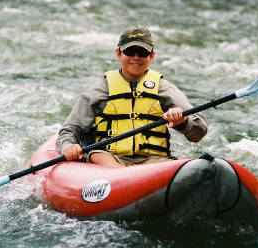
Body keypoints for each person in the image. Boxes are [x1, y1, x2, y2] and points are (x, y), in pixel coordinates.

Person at [56, 26, 208, 168]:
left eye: (142, 53)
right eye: (130, 51)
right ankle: (122, 180)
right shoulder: (100, 89)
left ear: (152, 56)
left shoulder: (165, 89)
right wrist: (68, 146)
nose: (136, 57)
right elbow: (70, 129)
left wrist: (183, 121)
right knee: (96, 155)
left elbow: (198, 132)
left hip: (154, 161)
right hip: (111, 159)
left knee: (182, 164)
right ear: (118, 54)